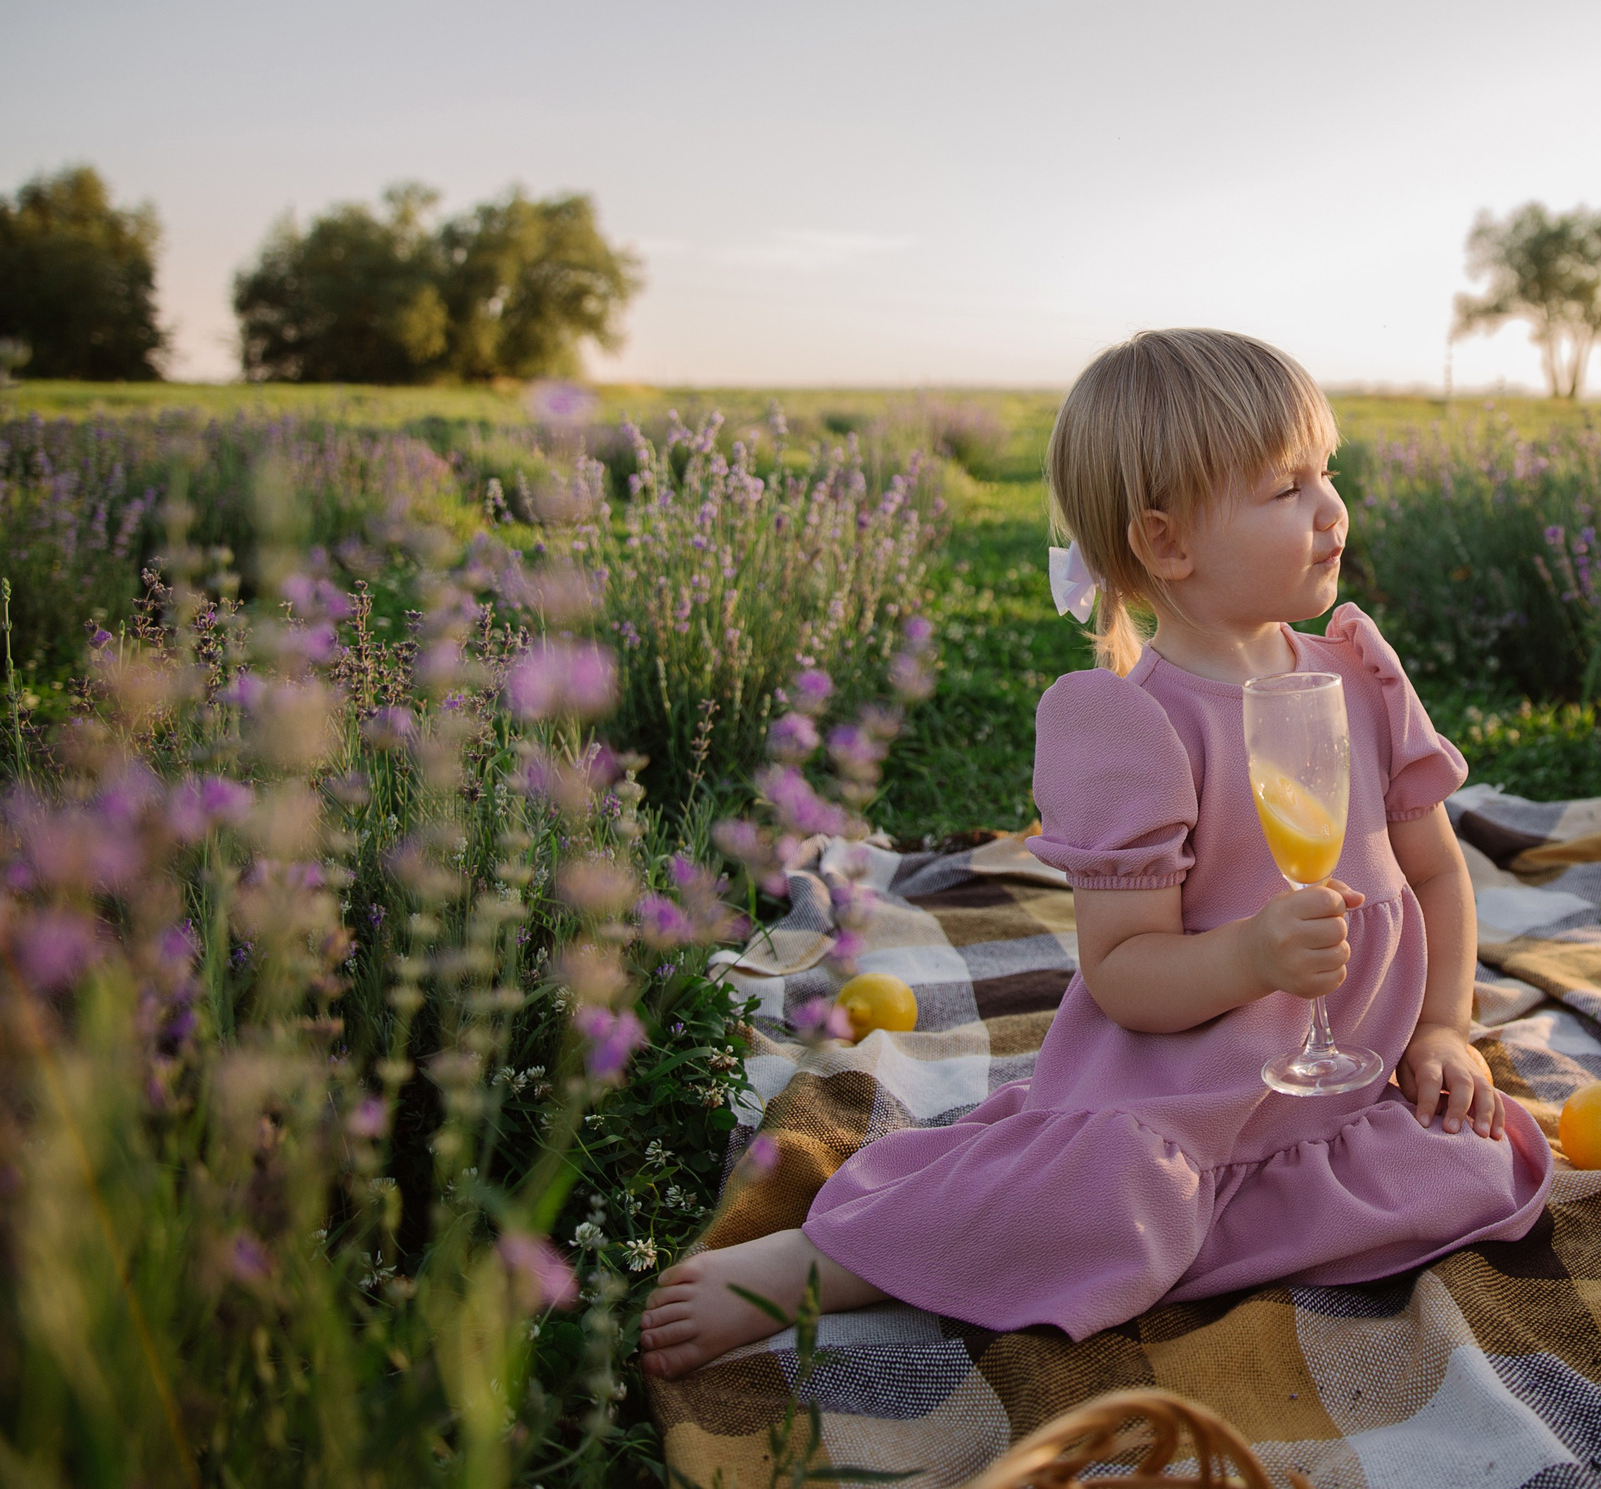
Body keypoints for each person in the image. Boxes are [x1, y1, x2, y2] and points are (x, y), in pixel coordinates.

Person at [639, 328, 1550, 1376]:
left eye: (1326, 472)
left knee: (1479, 1159)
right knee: (1116, 1196)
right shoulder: (1133, 727)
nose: (1331, 507)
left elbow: (1432, 870)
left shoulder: (1357, 670)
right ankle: (827, 1262)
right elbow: (1124, 976)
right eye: (1286, 485)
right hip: (1178, 1097)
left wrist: (1442, 1028)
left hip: (1345, 1084)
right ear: (1167, 543)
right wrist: (1251, 957)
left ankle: (1217, 1215)